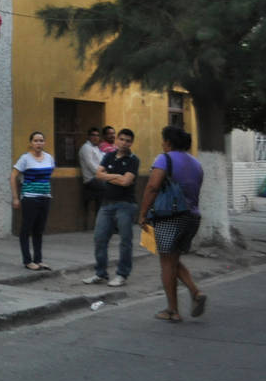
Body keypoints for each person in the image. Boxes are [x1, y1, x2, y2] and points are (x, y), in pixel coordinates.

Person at [139, 126, 206, 323]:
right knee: (174, 259)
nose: (162, 144)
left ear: (168, 142)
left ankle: (172, 310)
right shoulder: (196, 164)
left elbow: (152, 186)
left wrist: (142, 213)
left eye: (163, 140)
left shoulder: (164, 159)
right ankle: (195, 292)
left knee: (167, 263)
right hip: (192, 217)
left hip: (169, 216)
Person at [83, 128, 140, 287]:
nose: (124, 143)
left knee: (125, 241)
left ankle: (122, 274)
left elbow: (126, 182)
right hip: (106, 205)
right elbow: (98, 175)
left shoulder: (133, 160)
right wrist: (116, 176)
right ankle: (100, 273)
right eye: (121, 139)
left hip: (125, 205)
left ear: (131, 143)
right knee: (99, 238)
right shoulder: (108, 156)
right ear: (116, 140)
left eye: (128, 140)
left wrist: (109, 176)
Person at [11, 131, 55, 270]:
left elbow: (48, 176)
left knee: (39, 230)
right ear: (31, 143)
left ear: (44, 143)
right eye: (36, 141)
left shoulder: (49, 158)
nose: (38, 143)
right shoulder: (25, 159)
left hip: (45, 197)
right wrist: (15, 197)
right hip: (29, 198)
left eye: (41, 140)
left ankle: (38, 259)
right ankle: (27, 260)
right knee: (26, 229)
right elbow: (13, 176)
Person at [79, 126, 105, 227]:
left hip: (100, 177)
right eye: (93, 135)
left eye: (97, 135)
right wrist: (104, 174)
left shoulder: (96, 148)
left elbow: (103, 162)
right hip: (91, 180)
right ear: (89, 136)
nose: (95, 137)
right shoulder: (86, 148)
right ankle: (100, 223)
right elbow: (91, 166)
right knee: (107, 189)